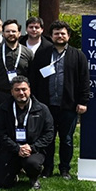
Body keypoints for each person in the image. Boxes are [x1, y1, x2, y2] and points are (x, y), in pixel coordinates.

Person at [29, 20, 90, 179]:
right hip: (46, 106)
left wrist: (83, 101)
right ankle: (47, 168)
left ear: (68, 36)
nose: (60, 36)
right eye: (56, 34)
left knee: (67, 139)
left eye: (63, 33)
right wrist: (34, 101)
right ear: (51, 36)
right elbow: (34, 78)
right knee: (47, 139)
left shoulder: (78, 56)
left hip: (68, 106)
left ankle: (64, 169)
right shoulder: (42, 54)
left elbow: (84, 80)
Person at [0, 76, 54, 190]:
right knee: (1, 182)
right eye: (17, 90)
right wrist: (17, 148)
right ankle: (15, 173)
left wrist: (32, 147)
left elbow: (49, 133)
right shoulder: (3, 109)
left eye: (24, 89)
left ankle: (33, 177)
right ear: (12, 92)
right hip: (11, 149)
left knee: (32, 164)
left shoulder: (42, 109)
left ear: (29, 90)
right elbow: (0, 133)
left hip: (34, 151)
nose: (21, 93)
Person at [0, 19, 32, 105]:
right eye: (8, 31)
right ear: (3, 33)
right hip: (1, 96)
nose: (11, 34)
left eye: (14, 31)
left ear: (19, 33)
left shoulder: (27, 52)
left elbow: (33, 76)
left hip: (22, 95)